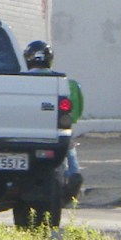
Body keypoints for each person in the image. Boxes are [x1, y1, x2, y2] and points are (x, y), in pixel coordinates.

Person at [25, 39, 84, 203]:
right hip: (58, 132)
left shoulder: (20, 81)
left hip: (28, 134)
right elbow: (76, 113)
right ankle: (74, 175)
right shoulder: (69, 84)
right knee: (68, 146)